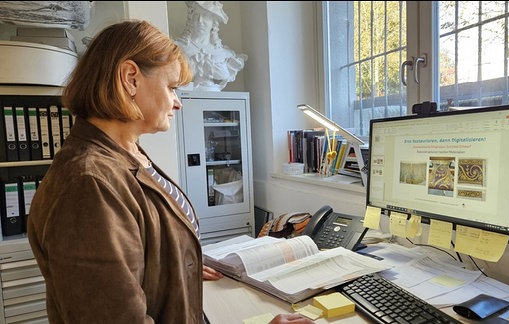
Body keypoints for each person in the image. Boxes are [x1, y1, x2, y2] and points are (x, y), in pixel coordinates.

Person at [26, 19, 313, 324]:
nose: (178, 103)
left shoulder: (126, 153)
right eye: (172, 87)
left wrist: (177, 265)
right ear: (130, 78)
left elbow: (141, 245)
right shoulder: (89, 183)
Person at [175, 1, 247, 91]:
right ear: (191, 18)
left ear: (213, 22)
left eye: (205, 16)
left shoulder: (223, 53)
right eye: (196, 15)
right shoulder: (178, 48)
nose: (200, 21)